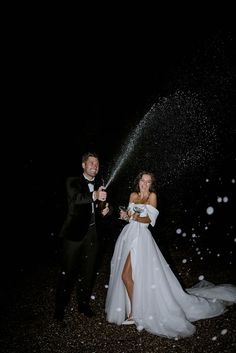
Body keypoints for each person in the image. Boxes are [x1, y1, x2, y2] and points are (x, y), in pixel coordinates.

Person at [105, 171, 236, 338]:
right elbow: (129, 217)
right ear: (138, 182)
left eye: (148, 181)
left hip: (142, 239)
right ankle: (135, 309)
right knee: (127, 275)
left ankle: (135, 312)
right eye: (142, 181)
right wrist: (125, 216)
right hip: (128, 236)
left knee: (126, 275)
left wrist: (136, 217)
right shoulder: (133, 195)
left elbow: (149, 221)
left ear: (151, 184)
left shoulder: (152, 196)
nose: (144, 184)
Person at [54, 152, 111, 323]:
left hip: (93, 234)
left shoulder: (101, 183)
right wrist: (94, 196)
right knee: (67, 273)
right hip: (73, 235)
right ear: (83, 165)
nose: (95, 166)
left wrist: (107, 210)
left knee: (88, 272)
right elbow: (76, 199)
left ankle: (83, 305)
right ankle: (59, 309)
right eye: (91, 162)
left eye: (97, 163)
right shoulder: (73, 181)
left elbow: (105, 205)